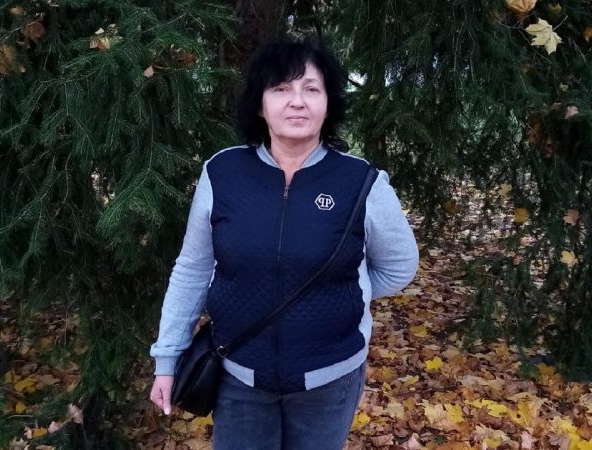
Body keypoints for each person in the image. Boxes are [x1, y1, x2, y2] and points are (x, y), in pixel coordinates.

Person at [149, 37, 418, 450]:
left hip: (330, 380)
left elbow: (399, 266)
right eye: (281, 89)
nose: (297, 101)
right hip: (239, 376)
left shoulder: (361, 182)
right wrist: (167, 359)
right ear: (260, 104)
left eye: (311, 89)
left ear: (328, 103)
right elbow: (192, 270)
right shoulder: (222, 173)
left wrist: (348, 289)